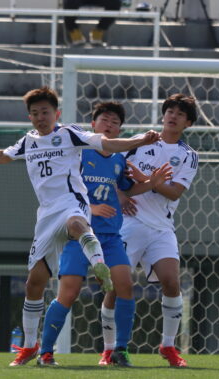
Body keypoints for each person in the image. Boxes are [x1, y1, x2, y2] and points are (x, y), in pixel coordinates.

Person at [0, 87, 160, 367]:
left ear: (56, 113)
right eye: (35, 113)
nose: (40, 117)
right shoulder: (28, 141)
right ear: (30, 117)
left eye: (45, 112)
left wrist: (141, 139)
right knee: (34, 284)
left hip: (73, 203)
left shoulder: (70, 134)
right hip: (46, 215)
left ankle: (99, 265)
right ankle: (31, 346)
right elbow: (2, 156)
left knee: (76, 224)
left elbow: (107, 144)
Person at [37, 102, 173, 367]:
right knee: (69, 292)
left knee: (125, 286)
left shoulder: (119, 159)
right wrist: (90, 208)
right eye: (104, 120)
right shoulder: (78, 153)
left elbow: (127, 189)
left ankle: (119, 351)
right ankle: (45, 352)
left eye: (114, 122)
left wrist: (151, 184)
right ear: (93, 125)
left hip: (110, 237)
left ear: (120, 129)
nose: (109, 125)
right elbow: (63, 191)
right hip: (80, 235)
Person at [102, 93, 199, 368]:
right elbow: (109, 171)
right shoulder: (138, 142)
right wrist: (121, 196)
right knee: (116, 287)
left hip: (161, 228)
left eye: (180, 114)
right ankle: (109, 349)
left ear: (188, 123)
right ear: (163, 114)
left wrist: (148, 180)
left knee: (171, 281)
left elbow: (175, 192)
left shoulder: (189, 156)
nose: (173, 116)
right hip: (129, 224)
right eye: (170, 111)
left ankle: (168, 346)